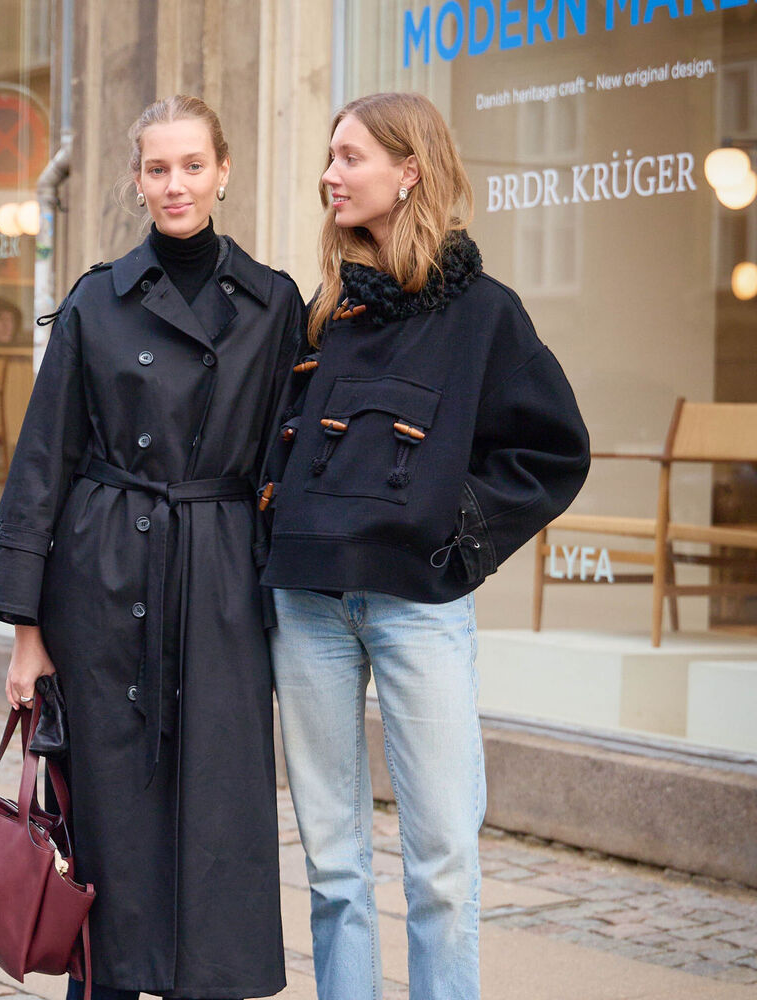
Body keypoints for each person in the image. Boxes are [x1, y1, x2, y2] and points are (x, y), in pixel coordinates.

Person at [0, 95, 303, 1000]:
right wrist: (26, 631)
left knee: (221, 814)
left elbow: (285, 459)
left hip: (222, 577)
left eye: (192, 165)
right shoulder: (95, 300)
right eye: (158, 168)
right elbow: (44, 459)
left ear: (223, 171)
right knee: (107, 821)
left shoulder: (275, 305)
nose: (176, 184)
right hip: (105, 580)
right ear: (136, 179)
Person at [259, 92, 591, 1000]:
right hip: (305, 603)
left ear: (410, 170)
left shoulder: (485, 315)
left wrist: (457, 539)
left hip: (418, 606)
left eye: (351, 156)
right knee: (332, 864)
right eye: (330, 156)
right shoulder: (327, 313)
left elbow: (554, 449)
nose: (331, 174)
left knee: (443, 862)